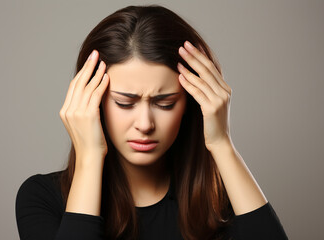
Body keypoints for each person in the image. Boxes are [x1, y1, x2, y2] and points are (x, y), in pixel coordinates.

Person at [15, 4, 288, 240]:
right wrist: (89, 157)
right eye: (124, 103)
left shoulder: (225, 200)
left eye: (165, 103)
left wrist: (221, 143)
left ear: (190, 104)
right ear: (91, 102)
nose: (145, 124)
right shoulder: (42, 198)